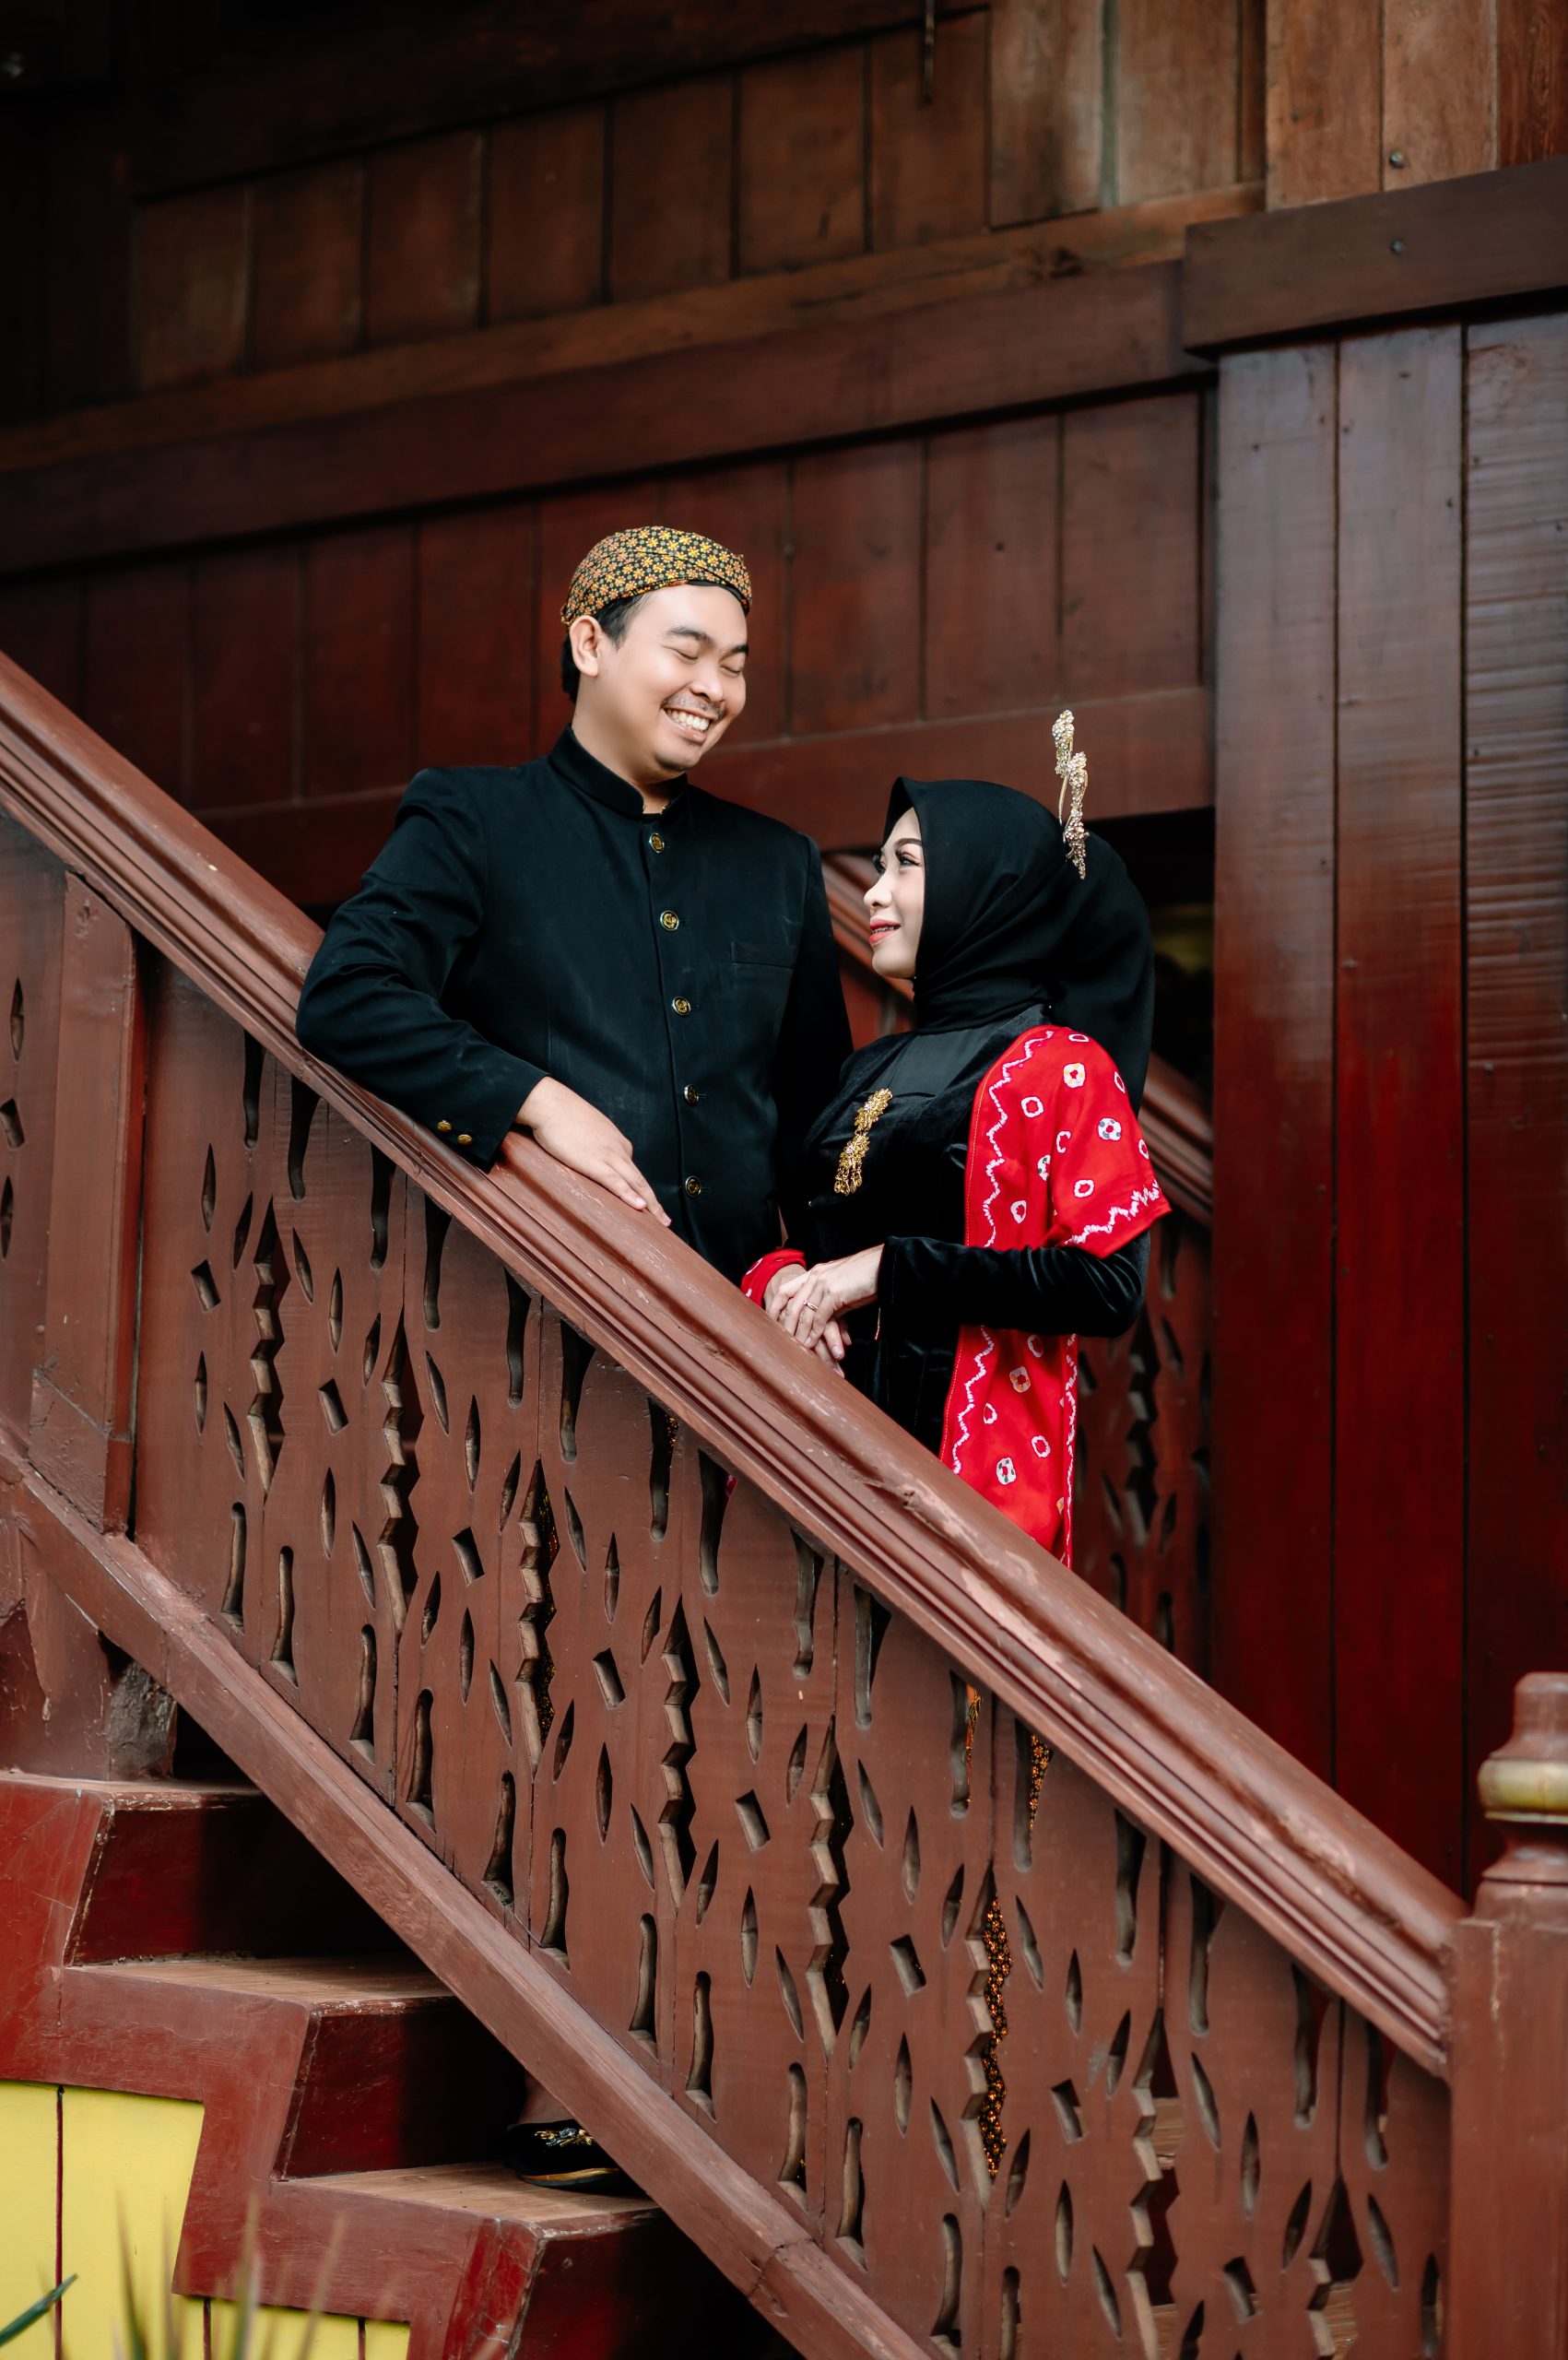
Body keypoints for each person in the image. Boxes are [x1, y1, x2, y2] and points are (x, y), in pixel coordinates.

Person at [296, 525, 850, 1283]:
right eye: (686, 654)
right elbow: (348, 993)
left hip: (743, 1312)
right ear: (590, 645)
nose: (714, 689)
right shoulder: (474, 818)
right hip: (550, 1293)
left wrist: (822, 1284)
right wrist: (537, 1099)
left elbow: (818, 1119)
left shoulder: (777, 860)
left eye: (733, 666)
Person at [745, 736, 1165, 1565]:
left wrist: (886, 1271)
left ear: (987, 885)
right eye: (878, 866)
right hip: (817, 1455)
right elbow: (815, 1239)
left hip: (965, 1483)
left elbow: (1108, 1286)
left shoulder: (1062, 1064)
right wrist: (786, 1279)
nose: (874, 891)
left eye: (905, 864)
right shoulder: (868, 1068)